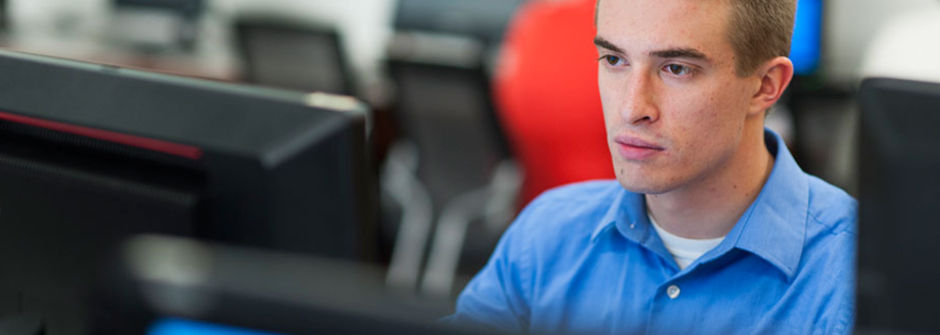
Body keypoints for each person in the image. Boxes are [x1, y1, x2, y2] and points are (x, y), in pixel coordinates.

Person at [446, 0, 857, 334]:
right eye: (614, 60)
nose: (631, 108)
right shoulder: (546, 237)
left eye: (676, 68)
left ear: (766, 85)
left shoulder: (852, 276)